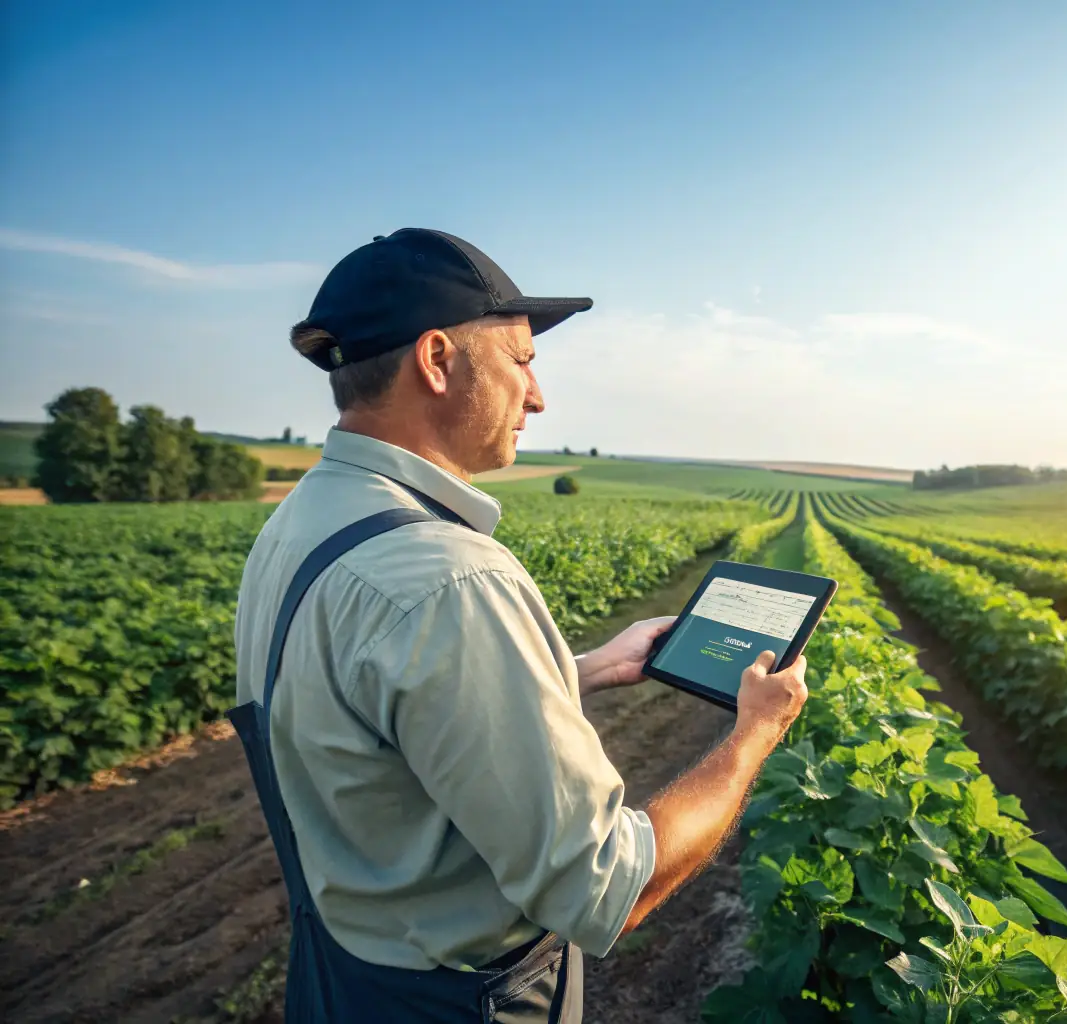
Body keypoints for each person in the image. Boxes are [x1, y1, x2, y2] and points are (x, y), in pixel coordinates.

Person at [230, 228, 809, 1023]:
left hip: (344, 974)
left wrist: (584, 667)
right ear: (437, 361)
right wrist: (753, 737)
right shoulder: (451, 579)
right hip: (458, 1001)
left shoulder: (303, 523)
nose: (537, 397)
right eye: (523, 362)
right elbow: (612, 887)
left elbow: (380, 717)